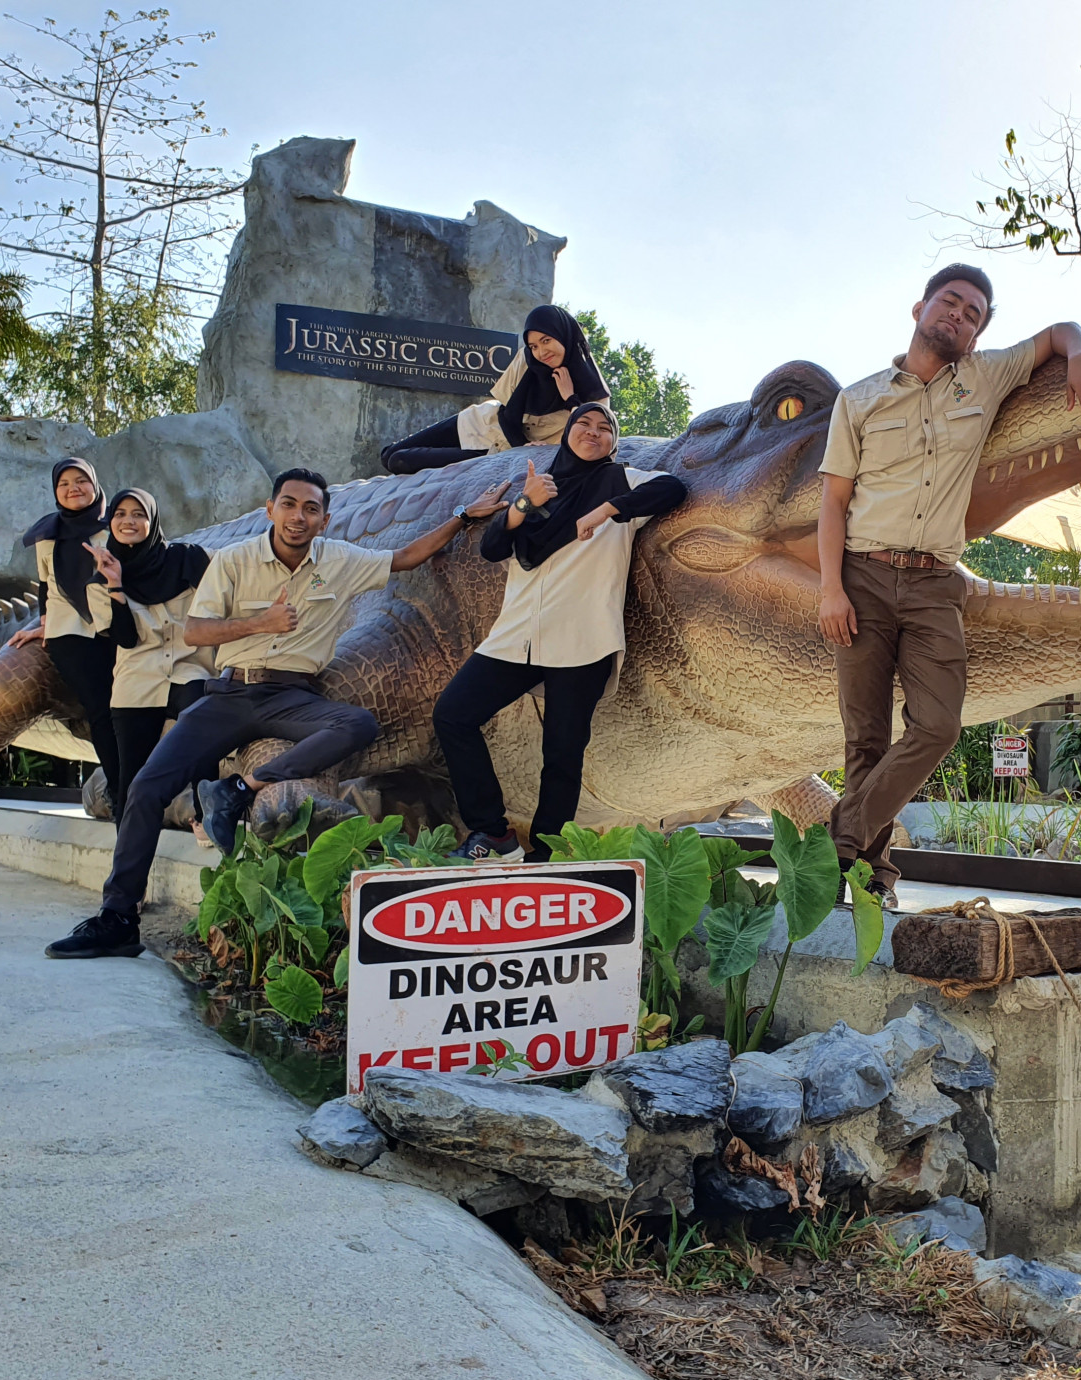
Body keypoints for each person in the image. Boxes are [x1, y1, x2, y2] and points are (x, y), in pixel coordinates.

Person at [44, 466, 509, 960]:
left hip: (294, 695)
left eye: (310, 508)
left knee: (357, 723)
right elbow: (197, 632)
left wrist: (463, 515)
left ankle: (240, 789)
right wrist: (259, 623)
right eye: (289, 504)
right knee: (144, 787)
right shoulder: (234, 559)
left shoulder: (340, 560)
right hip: (228, 696)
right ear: (271, 510)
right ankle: (118, 917)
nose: (298, 516)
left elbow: (407, 556)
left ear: (324, 519)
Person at [816, 264, 1081, 900]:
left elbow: (1061, 331)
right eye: (950, 303)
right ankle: (874, 881)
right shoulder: (859, 398)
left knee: (938, 727)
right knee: (864, 738)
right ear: (920, 306)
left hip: (934, 584)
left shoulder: (987, 374)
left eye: (973, 313)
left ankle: (836, 843)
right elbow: (834, 501)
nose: (959, 315)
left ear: (978, 334)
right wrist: (830, 589)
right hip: (861, 577)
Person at [433, 402, 686, 861]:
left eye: (605, 427)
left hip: (583, 638)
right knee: (453, 714)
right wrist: (525, 503)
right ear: (567, 432)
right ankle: (493, 833)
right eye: (583, 424)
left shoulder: (624, 481)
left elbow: (673, 488)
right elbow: (493, 548)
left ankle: (544, 857)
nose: (593, 432)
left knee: (563, 755)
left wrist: (606, 510)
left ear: (614, 440)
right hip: (518, 633)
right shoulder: (539, 489)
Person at [85, 488, 216, 824]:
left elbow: (226, 596)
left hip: (189, 667)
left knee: (202, 721)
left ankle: (208, 819)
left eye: (139, 514)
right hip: (137, 677)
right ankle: (126, 857)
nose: (129, 521)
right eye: (120, 514)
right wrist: (116, 585)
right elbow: (126, 639)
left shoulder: (189, 559)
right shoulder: (99, 581)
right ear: (110, 521)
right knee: (133, 777)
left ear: (153, 519)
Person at [8, 457, 123, 820]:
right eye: (64, 483)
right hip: (69, 634)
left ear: (95, 485)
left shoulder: (116, 526)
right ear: (56, 491)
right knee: (102, 710)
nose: (74, 488)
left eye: (81, 480)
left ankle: (137, 781)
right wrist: (45, 623)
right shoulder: (46, 535)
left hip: (115, 627)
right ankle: (121, 790)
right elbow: (47, 586)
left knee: (129, 708)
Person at [380, 305, 613, 473]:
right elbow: (506, 412)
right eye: (533, 345)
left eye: (547, 340)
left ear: (564, 335)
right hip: (481, 423)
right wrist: (522, 443)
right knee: (388, 454)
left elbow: (587, 441)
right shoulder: (527, 360)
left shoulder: (596, 395)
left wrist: (570, 399)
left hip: (498, 451)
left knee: (399, 461)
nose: (541, 352)